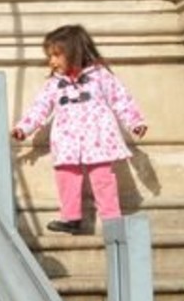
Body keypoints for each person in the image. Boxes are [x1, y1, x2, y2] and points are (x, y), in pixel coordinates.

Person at [11, 24, 147, 235]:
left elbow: (120, 99)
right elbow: (39, 108)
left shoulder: (100, 76)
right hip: (67, 140)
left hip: (99, 138)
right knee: (66, 176)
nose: (52, 62)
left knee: (103, 180)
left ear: (74, 52)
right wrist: (24, 128)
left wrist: (135, 122)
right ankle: (71, 218)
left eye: (56, 55)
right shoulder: (54, 84)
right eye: (50, 56)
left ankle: (112, 220)